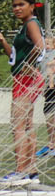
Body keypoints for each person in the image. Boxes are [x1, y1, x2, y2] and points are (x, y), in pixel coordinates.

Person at [0, 0, 45, 186]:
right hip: (24, 77)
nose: (17, 8)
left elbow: (40, 47)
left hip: (27, 79)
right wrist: (3, 40)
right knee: (27, 125)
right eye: (14, 5)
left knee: (18, 124)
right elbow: (14, 57)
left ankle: (20, 171)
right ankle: (31, 171)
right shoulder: (25, 27)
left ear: (32, 6)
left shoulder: (31, 24)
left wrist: (30, 64)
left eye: (21, 4)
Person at [42, 30, 55, 161]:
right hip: (47, 88)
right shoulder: (46, 54)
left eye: (49, 43)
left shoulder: (52, 55)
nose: (46, 46)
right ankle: (51, 142)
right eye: (45, 43)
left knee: (51, 114)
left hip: (52, 87)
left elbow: (51, 68)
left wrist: (50, 81)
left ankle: (52, 143)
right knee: (48, 114)